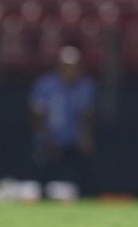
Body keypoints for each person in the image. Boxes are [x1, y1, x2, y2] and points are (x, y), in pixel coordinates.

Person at [29, 45, 96, 201]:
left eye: (74, 66)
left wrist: (85, 137)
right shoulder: (45, 85)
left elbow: (88, 114)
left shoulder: (85, 86)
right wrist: (48, 139)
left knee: (76, 182)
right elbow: (37, 115)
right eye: (67, 66)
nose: (70, 70)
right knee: (42, 182)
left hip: (73, 143)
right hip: (48, 142)